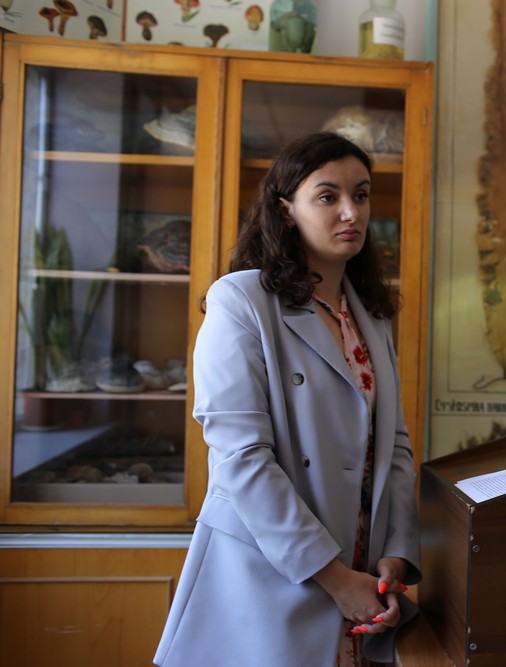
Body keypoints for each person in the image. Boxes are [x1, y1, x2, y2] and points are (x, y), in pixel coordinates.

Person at [154, 132, 421, 667]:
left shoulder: (370, 315)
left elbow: (393, 446)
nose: (351, 212)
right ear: (286, 210)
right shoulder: (240, 301)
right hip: (275, 571)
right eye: (327, 196)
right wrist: (335, 578)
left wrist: (395, 555)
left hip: (365, 573)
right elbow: (241, 458)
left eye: (361, 195)